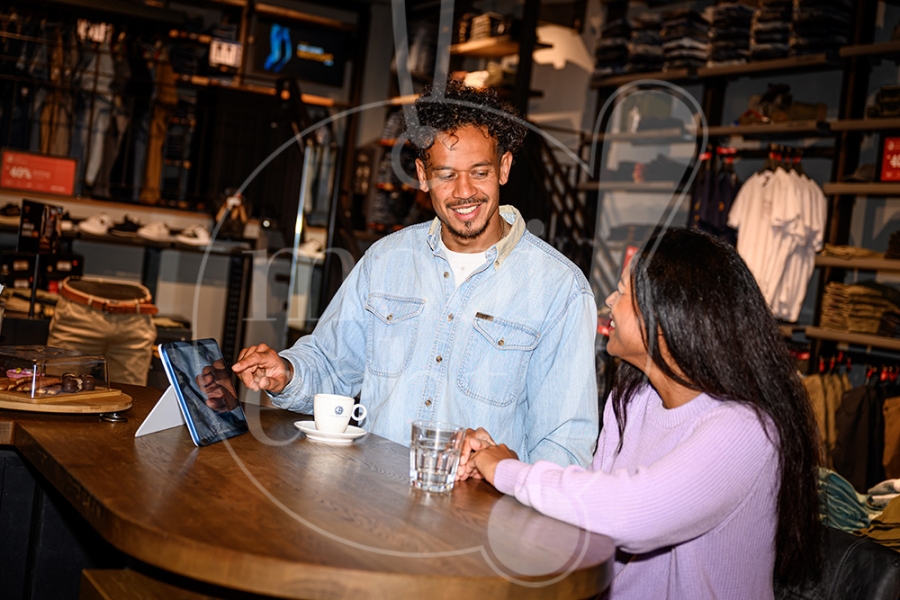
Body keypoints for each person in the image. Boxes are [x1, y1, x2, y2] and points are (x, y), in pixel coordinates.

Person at [233, 79, 599, 466]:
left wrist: (508, 481)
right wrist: (288, 373)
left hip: (477, 505)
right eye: (446, 175)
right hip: (371, 493)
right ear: (423, 175)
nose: (464, 192)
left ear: (503, 168)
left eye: (479, 172)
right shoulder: (384, 260)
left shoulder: (559, 289)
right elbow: (331, 365)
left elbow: (564, 445)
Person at [457, 228, 823, 599]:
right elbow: (591, 513)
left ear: (666, 316)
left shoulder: (746, 429)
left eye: (622, 292)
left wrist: (508, 470)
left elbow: (629, 513)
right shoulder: (634, 400)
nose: (609, 301)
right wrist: (500, 462)